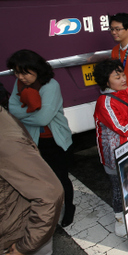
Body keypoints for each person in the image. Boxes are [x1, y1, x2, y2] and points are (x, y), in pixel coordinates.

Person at [0, 106, 99, 255]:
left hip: (15, 238)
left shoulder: (6, 139)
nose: (23, 78)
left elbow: (50, 193)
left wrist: (27, 245)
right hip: (14, 230)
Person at [6, 49, 76, 227]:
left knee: (61, 178)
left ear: (36, 69)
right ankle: (50, 211)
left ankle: (69, 208)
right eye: (16, 72)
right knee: (41, 180)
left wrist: (23, 114)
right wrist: (29, 112)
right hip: (33, 141)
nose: (20, 77)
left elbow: (43, 118)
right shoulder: (18, 85)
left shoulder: (50, 85)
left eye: (24, 72)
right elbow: (12, 109)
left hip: (54, 141)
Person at [93, 59, 128, 237]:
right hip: (114, 155)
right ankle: (119, 219)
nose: (123, 79)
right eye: (117, 77)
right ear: (106, 81)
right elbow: (123, 127)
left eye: (123, 74)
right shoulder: (105, 102)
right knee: (119, 189)